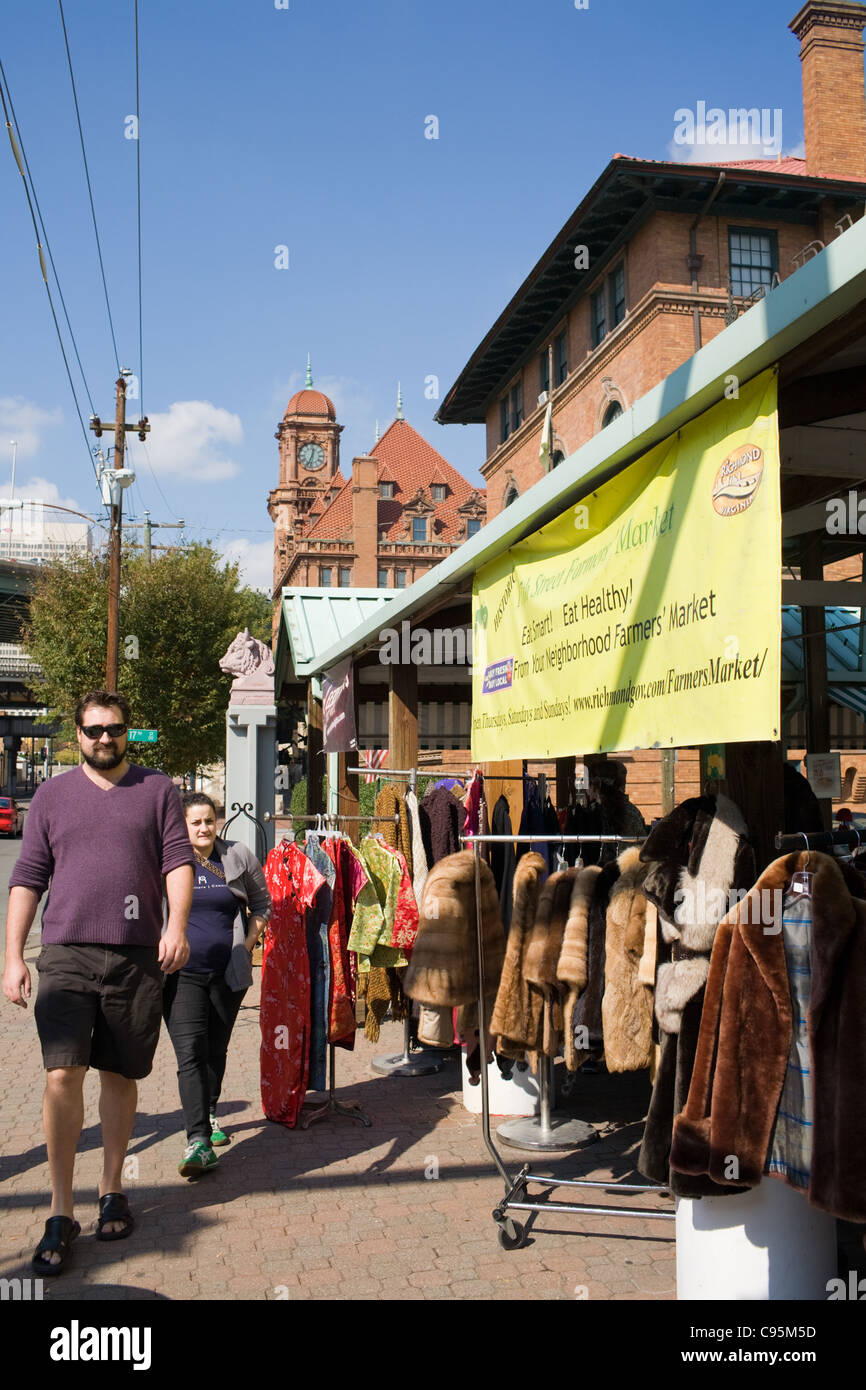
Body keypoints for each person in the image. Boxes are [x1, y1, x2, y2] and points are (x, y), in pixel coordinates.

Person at [2, 690, 194, 1275]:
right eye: (92, 730)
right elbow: (29, 875)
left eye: (113, 729)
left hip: (137, 956)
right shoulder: (53, 797)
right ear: (79, 734)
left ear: (128, 732)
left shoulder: (157, 789)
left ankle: (112, 1187)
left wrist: (178, 926)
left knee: (120, 1072)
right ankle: (60, 1208)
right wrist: (13, 955)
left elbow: (177, 860)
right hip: (66, 954)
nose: (103, 739)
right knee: (62, 1071)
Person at [164, 792, 271, 1176]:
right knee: (190, 1052)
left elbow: (263, 904)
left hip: (228, 973)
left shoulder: (238, 855)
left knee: (215, 1048)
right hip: (181, 973)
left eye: (209, 820)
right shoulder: (170, 860)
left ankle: (209, 1112)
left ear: (217, 820)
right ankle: (198, 1142)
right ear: (183, 826)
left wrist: (245, 947)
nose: (204, 828)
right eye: (196, 822)